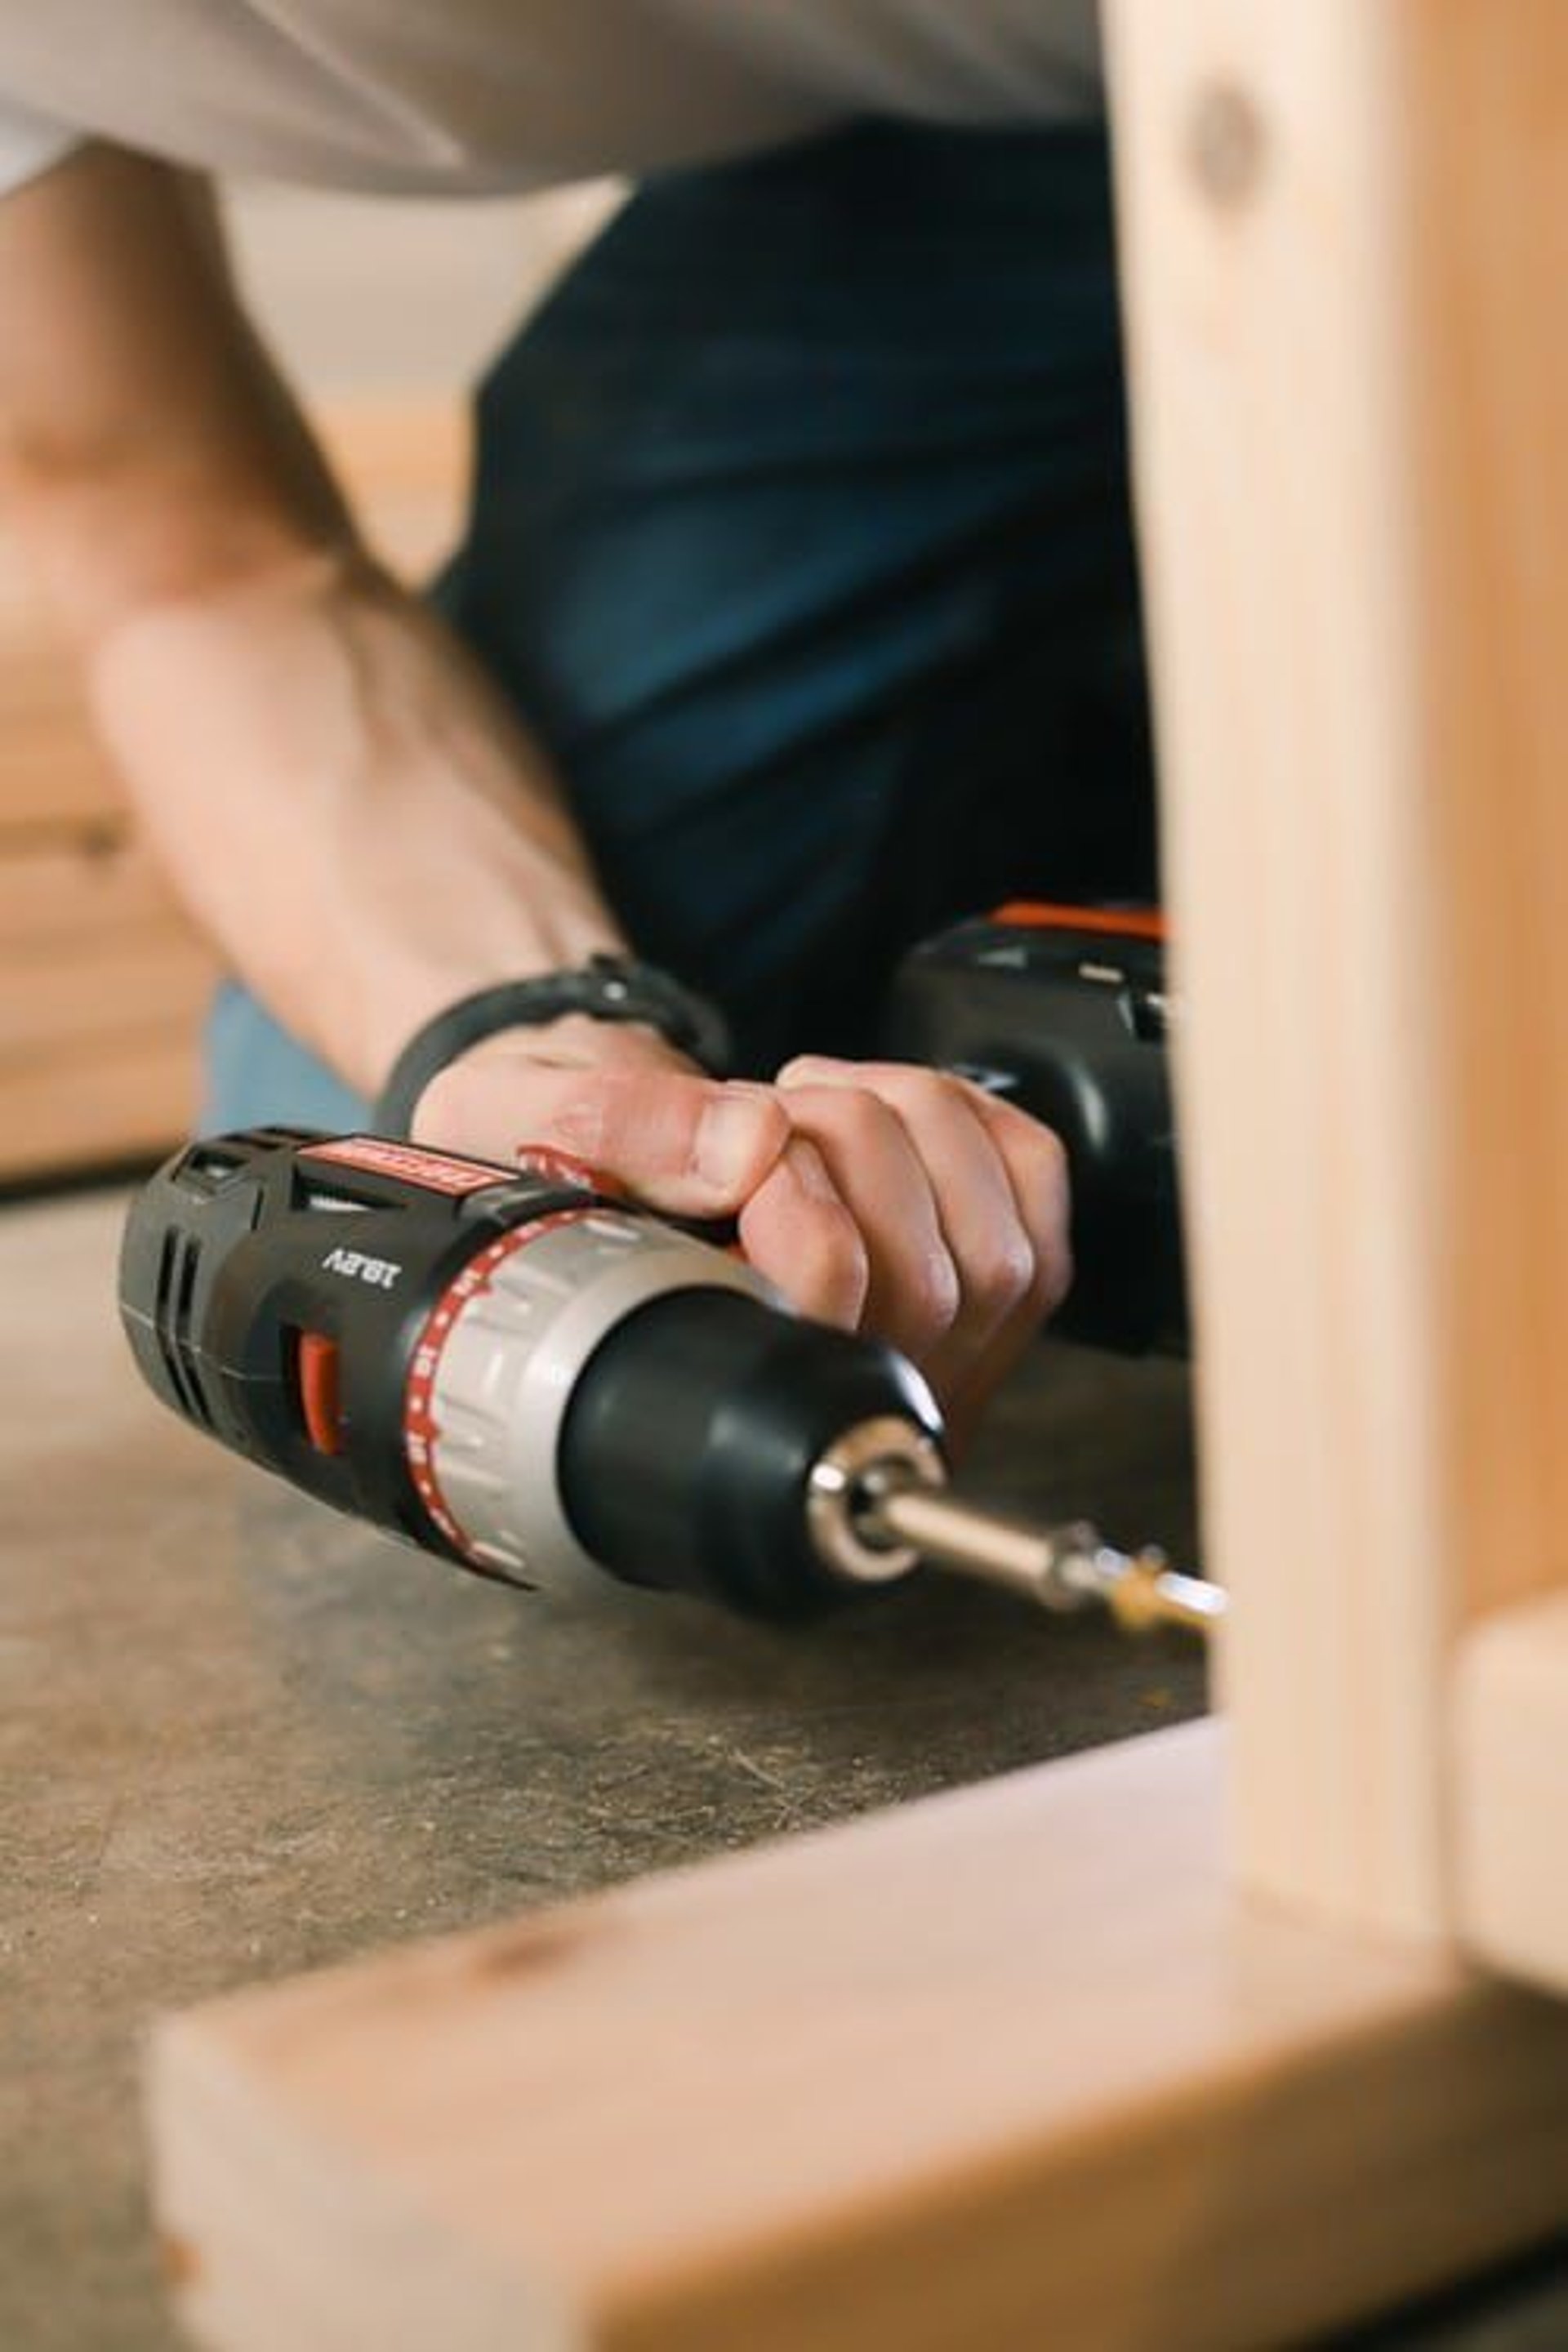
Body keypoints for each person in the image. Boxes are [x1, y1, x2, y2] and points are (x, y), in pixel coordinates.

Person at [0, 4, 1156, 1438]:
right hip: (954, 143)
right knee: (392, 1204)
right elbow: (189, 557)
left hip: (1367, 73)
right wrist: (539, 1032)